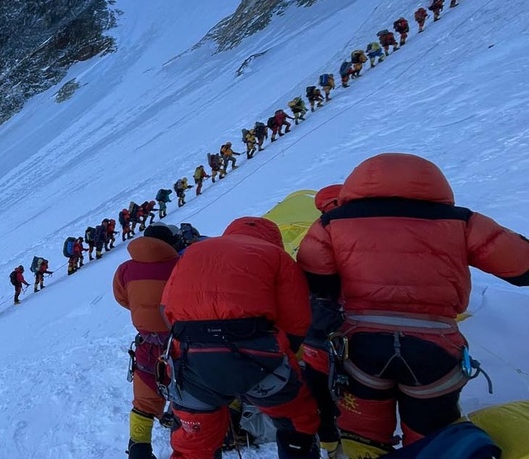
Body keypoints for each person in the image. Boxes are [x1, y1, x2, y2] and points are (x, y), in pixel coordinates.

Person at [297, 153, 529, 459]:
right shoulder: (462, 221)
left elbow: (318, 285)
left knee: (361, 435)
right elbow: (522, 267)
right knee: (431, 438)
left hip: (360, 348)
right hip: (435, 347)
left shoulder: (331, 224)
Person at [161, 217, 320, 459]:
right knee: (298, 420)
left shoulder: (194, 252)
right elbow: (296, 322)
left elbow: (166, 308)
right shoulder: (277, 257)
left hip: (191, 358)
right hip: (257, 354)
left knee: (194, 443)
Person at [112, 223, 182, 459]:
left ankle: (138, 449)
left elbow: (123, 299)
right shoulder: (180, 265)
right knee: (187, 387)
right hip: (178, 341)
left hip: (146, 341)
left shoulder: (125, 269)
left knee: (144, 395)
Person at [298, 184, 345, 455]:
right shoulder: (382, 224)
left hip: (320, 331)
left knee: (320, 393)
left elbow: (309, 282)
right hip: (373, 327)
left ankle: (331, 446)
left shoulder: (318, 232)